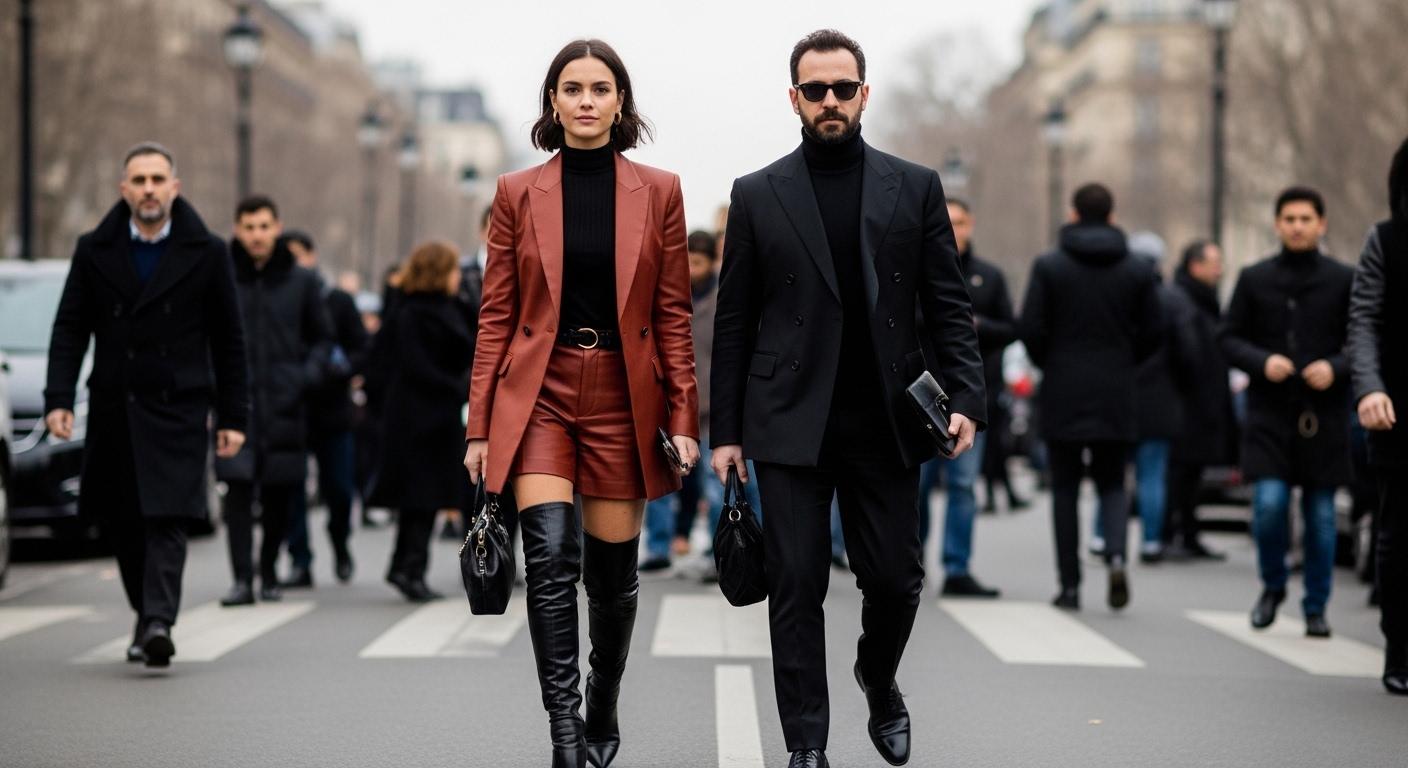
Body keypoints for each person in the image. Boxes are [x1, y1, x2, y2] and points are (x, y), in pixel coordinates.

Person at [711, 30, 985, 768]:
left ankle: (878, 674)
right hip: (788, 420)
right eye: (814, 89)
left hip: (887, 419)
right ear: (793, 98)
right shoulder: (758, 193)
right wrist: (725, 431)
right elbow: (733, 322)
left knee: (895, 580)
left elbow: (949, 306)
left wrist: (965, 396)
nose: (828, 101)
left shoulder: (915, 186)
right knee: (795, 584)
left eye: (841, 88)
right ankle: (807, 747)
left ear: (865, 93)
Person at [462, 39, 699, 768]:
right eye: (573, 88)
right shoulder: (515, 193)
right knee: (550, 554)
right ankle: (566, 732)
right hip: (540, 391)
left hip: (624, 397)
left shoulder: (658, 190)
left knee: (613, 577)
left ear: (620, 102)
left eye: (601, 88)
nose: (587, 100)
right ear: (553, 102)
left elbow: (673, 316)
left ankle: (604, 695)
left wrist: (684, 418)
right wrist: (479, 427)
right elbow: (496, 314)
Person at [44, 142, 248, 668]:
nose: (149, 189)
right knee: (123, 519)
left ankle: (159, 620)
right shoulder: (94, 249)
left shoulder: (207, 251)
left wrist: (233, 416)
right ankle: (146, 615)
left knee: (169, 516)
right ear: (124, 189)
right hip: (115, 402)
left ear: (175, 188)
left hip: (178, 404)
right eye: (139, 180)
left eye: (158, 179)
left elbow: (229, 339)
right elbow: (71, 327)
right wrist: (58, 399)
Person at [1018, 183, 1161, 612]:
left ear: (1073, 214)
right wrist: (1126, 361)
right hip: (1116, 388)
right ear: (1112, 216)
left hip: (1063, 385)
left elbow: (1029, 328)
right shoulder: (1136, 269)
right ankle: (1116, 555)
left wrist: (1051, 362)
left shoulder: (1049, 265)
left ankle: (1070, 585)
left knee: (1064, 488)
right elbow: (1155, 332)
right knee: (1112, 482)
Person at [1220, 186, 1353, 639]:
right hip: (1269, 415)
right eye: (1290, 219)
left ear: (1321, 224)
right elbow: (1228, 337)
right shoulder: (1254, 277)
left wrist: (1335, 367)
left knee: (1320, 517)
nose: (1297, 226)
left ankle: (1316, 605)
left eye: (1306, 219)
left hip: (1325, 415)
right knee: (1270, 505)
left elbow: (1364, 339)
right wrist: (1262, 362)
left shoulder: (1343, 278)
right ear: (1277, 225)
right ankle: (1272, 587)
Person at [217, 196, 334, 607]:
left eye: (264, 226)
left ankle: (268, 571)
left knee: (279, 497)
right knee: (236, 490)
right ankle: (241, 579)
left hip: (286, 406)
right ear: (237, 229)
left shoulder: (301, 282)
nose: (256, 235)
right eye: (248, 227)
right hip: (236, 406)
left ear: (277, 227)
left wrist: (304, 378)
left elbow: (323, 338)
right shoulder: (222, 275)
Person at [368, 241, 473, 602]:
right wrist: (459, 386)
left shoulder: (450, 306)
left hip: (437, 416)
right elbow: (415, 365)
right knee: (419, 498)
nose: (459, 277)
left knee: (428, 498)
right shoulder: (411, 312)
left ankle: (409, 568)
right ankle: (408, 568)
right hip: (416, 418)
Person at [920, 198, 1010, 599]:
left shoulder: (989, 276)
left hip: (970, 394)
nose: (955, 229)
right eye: (948, 221)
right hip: (920, 396)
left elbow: (1013, 327)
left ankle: (958, 567)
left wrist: (977, 325)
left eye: (960, 221)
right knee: (917, 488)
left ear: (971, 223)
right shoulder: (916, 269)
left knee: (963, 486)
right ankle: (911, 560)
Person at [1092, 232, 1194, 564]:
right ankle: (1151, 540)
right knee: (1152, 475)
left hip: (1118, 395)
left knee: (1111, 474)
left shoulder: (1111, 292)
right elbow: (1188, 353)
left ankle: (1101, 534)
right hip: (1160, 400)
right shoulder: (1173, 299)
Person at [1349, 134, 1408, 695]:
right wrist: (1369, 388)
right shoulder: (1385, 241)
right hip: (1395, 411)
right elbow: (1363, 320)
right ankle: (1399, 643)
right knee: (1398, 535)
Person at [282, 230, 369, 586]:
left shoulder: (338, 302)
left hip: (333, 410)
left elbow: (363, 348)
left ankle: (340, 543)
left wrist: (343, 368)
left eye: (298, 255)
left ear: (312, 256)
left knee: (338, 488)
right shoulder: (280, 299)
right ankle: (300, 560)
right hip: (292, 408)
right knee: (291, 489)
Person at [1164, 240, 1235, 560]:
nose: (1219, 269)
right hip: (1188, 400)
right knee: (1180, 470)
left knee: (1192, 471)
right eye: (1214, 262)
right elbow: (1188, 352)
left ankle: (1188, 532)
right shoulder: (1185, 300)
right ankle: (1171, 533)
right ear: (1195, 266)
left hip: (1199, 398)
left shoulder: (1201, 300)